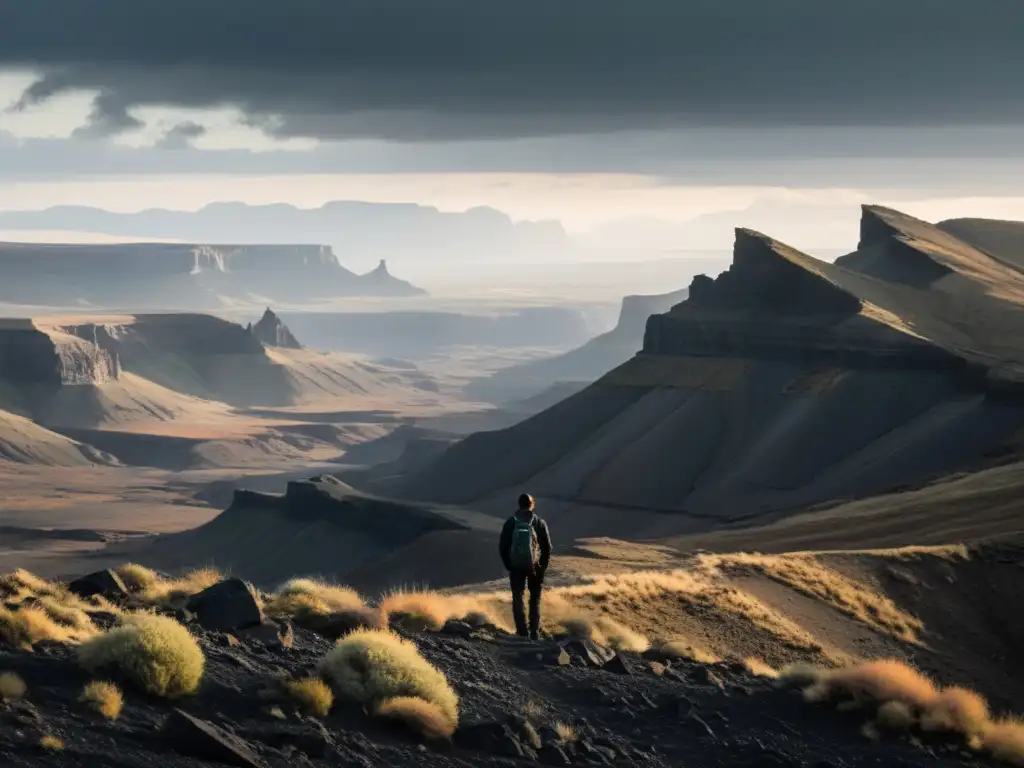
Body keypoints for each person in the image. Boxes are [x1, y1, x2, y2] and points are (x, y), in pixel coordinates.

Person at [499, 492, 552, 640]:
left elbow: (503, 546)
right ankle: (534, 631)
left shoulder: (511, 522)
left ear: (519, 504)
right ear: (532, 505)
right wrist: (542, 567)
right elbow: (547, 547)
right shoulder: (539, 522)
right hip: (534, 566)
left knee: (518, 597)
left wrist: (509, 564)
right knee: (534, 599)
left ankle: (522, 632)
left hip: (516, 566)